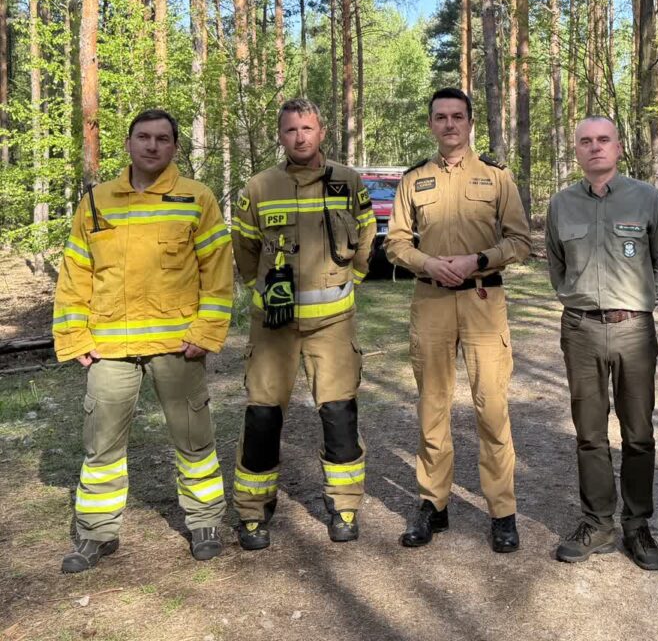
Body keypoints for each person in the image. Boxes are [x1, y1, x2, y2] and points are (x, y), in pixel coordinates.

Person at [52, 109, 233, 572]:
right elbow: (76, 272)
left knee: (194, 441)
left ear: (175, 146)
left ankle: (205, 522)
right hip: (110, 348)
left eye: (162, 138)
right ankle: (96, 533)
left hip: (178, 345)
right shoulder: (96, 202)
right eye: (144, 137)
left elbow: (217, 274)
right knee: (101, 447)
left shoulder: (196, 198)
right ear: (129, 143)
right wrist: (74, 334)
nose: (152, 146)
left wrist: (206, 332)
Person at [384, 87, 531, 553]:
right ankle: (433, 505)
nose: (449, 124)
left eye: (457, 116)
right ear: (431, 124)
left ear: (470, 123)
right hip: (430, 301)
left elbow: (520, 241)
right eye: (441, 117)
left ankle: (502, 512)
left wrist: (478, 260)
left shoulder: (496, 177)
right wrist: (427, 263)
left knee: (491, 407)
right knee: (432, 406)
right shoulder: (414, 180)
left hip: (483, 300)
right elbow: (395, 243)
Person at [231, 98, 375, 549]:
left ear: (322, 132)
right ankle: (253, 511)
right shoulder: (259, 187)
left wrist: (352, 280)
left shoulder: (348, 182)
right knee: (262, 417)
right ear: (281, 135)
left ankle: (344, 506)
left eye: (307, 128)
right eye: (291, 130)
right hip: (272, 328)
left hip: (332, 325)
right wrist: (264, 290)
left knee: (339, 415)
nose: (300, 137)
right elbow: (244, 250)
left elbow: (366, 234)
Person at [545, 116, 658, 571]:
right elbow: (557, 265)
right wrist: (579, 300)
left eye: (603, 140)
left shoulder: (647, 198)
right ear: (577, 150)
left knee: (638, 433)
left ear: (618, 148)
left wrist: (642, 304)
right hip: (580, 329)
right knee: (589, 433)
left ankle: (637, 525)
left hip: (634, 331)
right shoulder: (561, 204)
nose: (595, 147)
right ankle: (598, 522)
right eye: (586, 141)